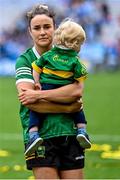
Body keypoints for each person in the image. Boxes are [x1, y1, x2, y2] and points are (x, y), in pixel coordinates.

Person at [16, 4, 86, 179]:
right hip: (39, 137)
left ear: (55, 29)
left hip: (71, 133)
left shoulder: (69, 56)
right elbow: (29, 101)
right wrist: (68, 108)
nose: (42, 32)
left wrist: (39, 94)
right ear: (29, 31)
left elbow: (76, 92)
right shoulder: (25, 61)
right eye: (37, 28)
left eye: (47, 27)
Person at [25, 19, 91, 156]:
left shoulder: (49, 55)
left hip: (46, 86)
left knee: (36, 110)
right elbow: (80, 80)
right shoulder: (75, 60)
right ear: (75, 43)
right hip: (64, 90)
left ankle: (33, 134)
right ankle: (82, 130)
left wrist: (36, 82)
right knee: (78, 106)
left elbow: (36, 67)